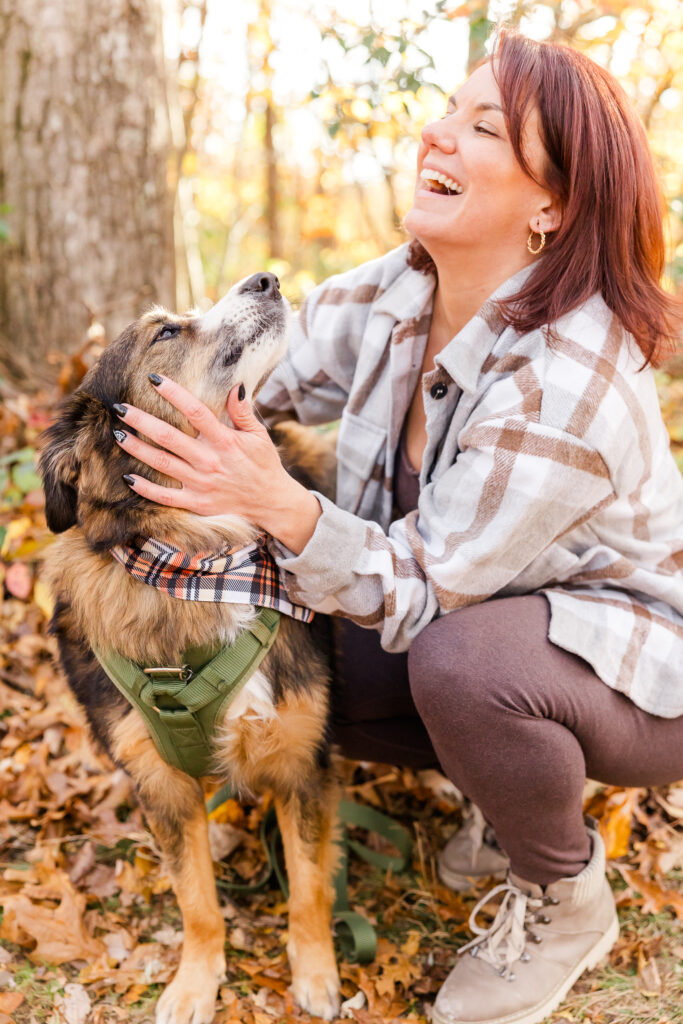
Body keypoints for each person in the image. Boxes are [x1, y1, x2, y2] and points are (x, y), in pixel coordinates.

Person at [112, 30, 683, 1024]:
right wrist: (142, 427)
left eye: (481, 127)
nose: (437, 136)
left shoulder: (568, 375)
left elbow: (421, 589)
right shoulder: (401, 290)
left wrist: (279, 505)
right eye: (444, 111)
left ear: (551, 206)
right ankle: (500, 790)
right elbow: (253, 370)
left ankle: (560, 891)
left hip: (641, 672)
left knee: (457, 664)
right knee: (308, 652)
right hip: (489, 614)